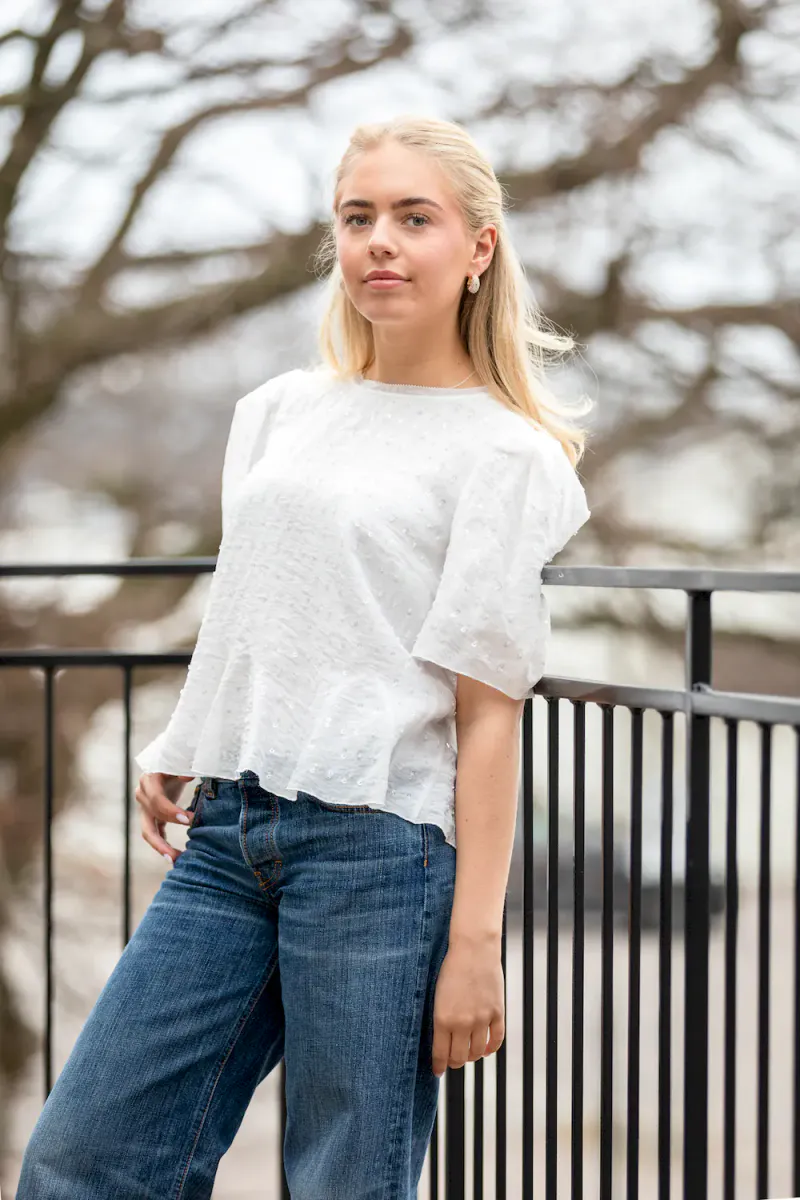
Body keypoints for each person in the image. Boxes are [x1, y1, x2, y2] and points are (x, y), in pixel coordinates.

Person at [17, 114, 592, 1199]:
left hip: (381, 854)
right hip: (230, 834)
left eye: (413, 218)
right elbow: (258, 600)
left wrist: (475, 939)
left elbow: (488, 707)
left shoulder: (503, 455)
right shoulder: (279, 412)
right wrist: (192, 734)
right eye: (357, 217)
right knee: (83, 1158)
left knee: (342, 1183)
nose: (379, 240)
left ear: (477, 247)